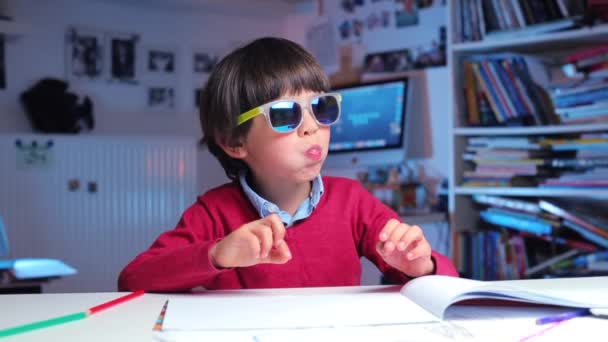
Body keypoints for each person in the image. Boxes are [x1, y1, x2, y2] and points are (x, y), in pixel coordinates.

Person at [118, 37, 458, 292]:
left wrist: (420, 265)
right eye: (285, 114)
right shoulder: (213, 213)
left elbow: (444, 283)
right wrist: (218, 254)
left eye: (320, 108)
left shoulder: (352, 201)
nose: (311, 126)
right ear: (235, 142)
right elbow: (133, 279)